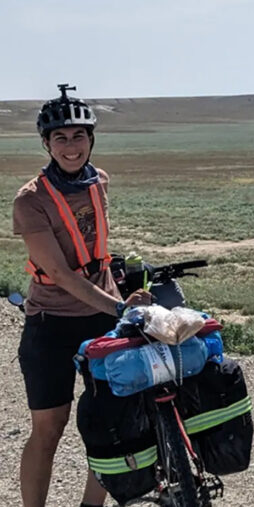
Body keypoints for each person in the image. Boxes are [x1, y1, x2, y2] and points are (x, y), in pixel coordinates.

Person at [12, 84, 151, 507]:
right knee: (50, 427)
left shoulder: (100, 182)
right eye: (60, 138)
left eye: (78, 137)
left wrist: (126, 290)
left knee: (113, 420)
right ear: (46, 143)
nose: (71, 147)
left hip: (102, 315)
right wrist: (117, 307)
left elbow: (96, 249)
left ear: (91, 140)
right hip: (51, 322)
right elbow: (56, 271)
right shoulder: (30, 201)